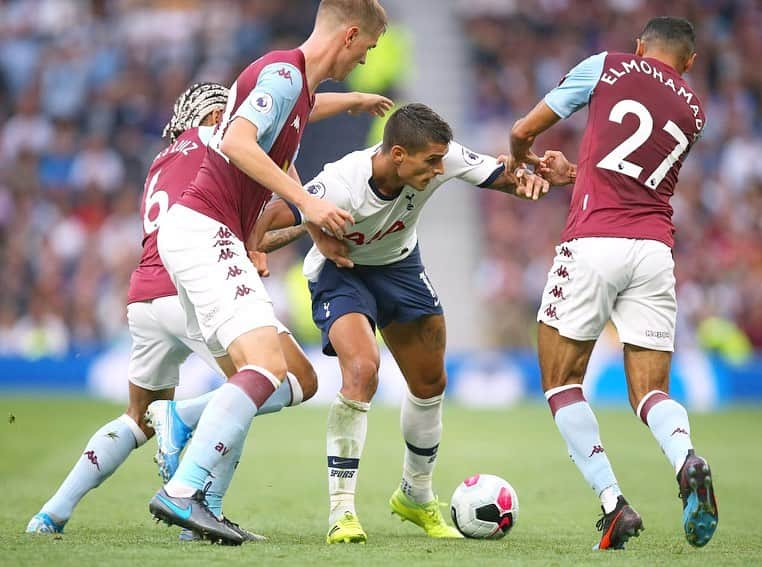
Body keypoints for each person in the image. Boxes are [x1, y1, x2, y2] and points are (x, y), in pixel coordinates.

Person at [25, 81, 390, 540]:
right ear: (220, 117)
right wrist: (351, 105)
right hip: (190, 286)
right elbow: (294, 109)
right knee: (276, 379)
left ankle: (50, 515)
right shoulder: (225, 143)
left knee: (137, 417)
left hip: (145, 294)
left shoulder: (165, 159)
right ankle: (202, 501)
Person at [253, 103, 553, 544]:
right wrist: (255, 246)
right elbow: (276, 215)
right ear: (397, 154)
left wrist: (536, 180)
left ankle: (415, 495)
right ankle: (342, 511)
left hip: (399, 267)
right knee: (362, 369)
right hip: (343, 271)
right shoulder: (342, 184)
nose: (439, 169)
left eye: (440, 160)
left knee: (431, 382)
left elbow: (499, 175)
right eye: (430, 162)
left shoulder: (439, 156)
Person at [148, 0, 389, 545]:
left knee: (268, 377)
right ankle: (183, 488)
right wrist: (307, 202)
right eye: (367, 50)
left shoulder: (295, 85)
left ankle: (200, 497)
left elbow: (299, 108)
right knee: (267, 369)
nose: (366, 60)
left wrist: (351, 101)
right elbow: (236, 140)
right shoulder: (283, 73)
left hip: (203, 234)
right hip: (207, 228)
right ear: (350, 35)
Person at [509, 16, 718, 550]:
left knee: (561, 381)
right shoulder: (695, 110)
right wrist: (575, 172)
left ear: (640, 47)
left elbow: (524, 129)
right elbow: (635, 177)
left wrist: (521, 159)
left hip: (593, 244)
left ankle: (613, 504)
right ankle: (686, 457)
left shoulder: (606, 66)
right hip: (653, 251)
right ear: (689, 62)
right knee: (650, 391)